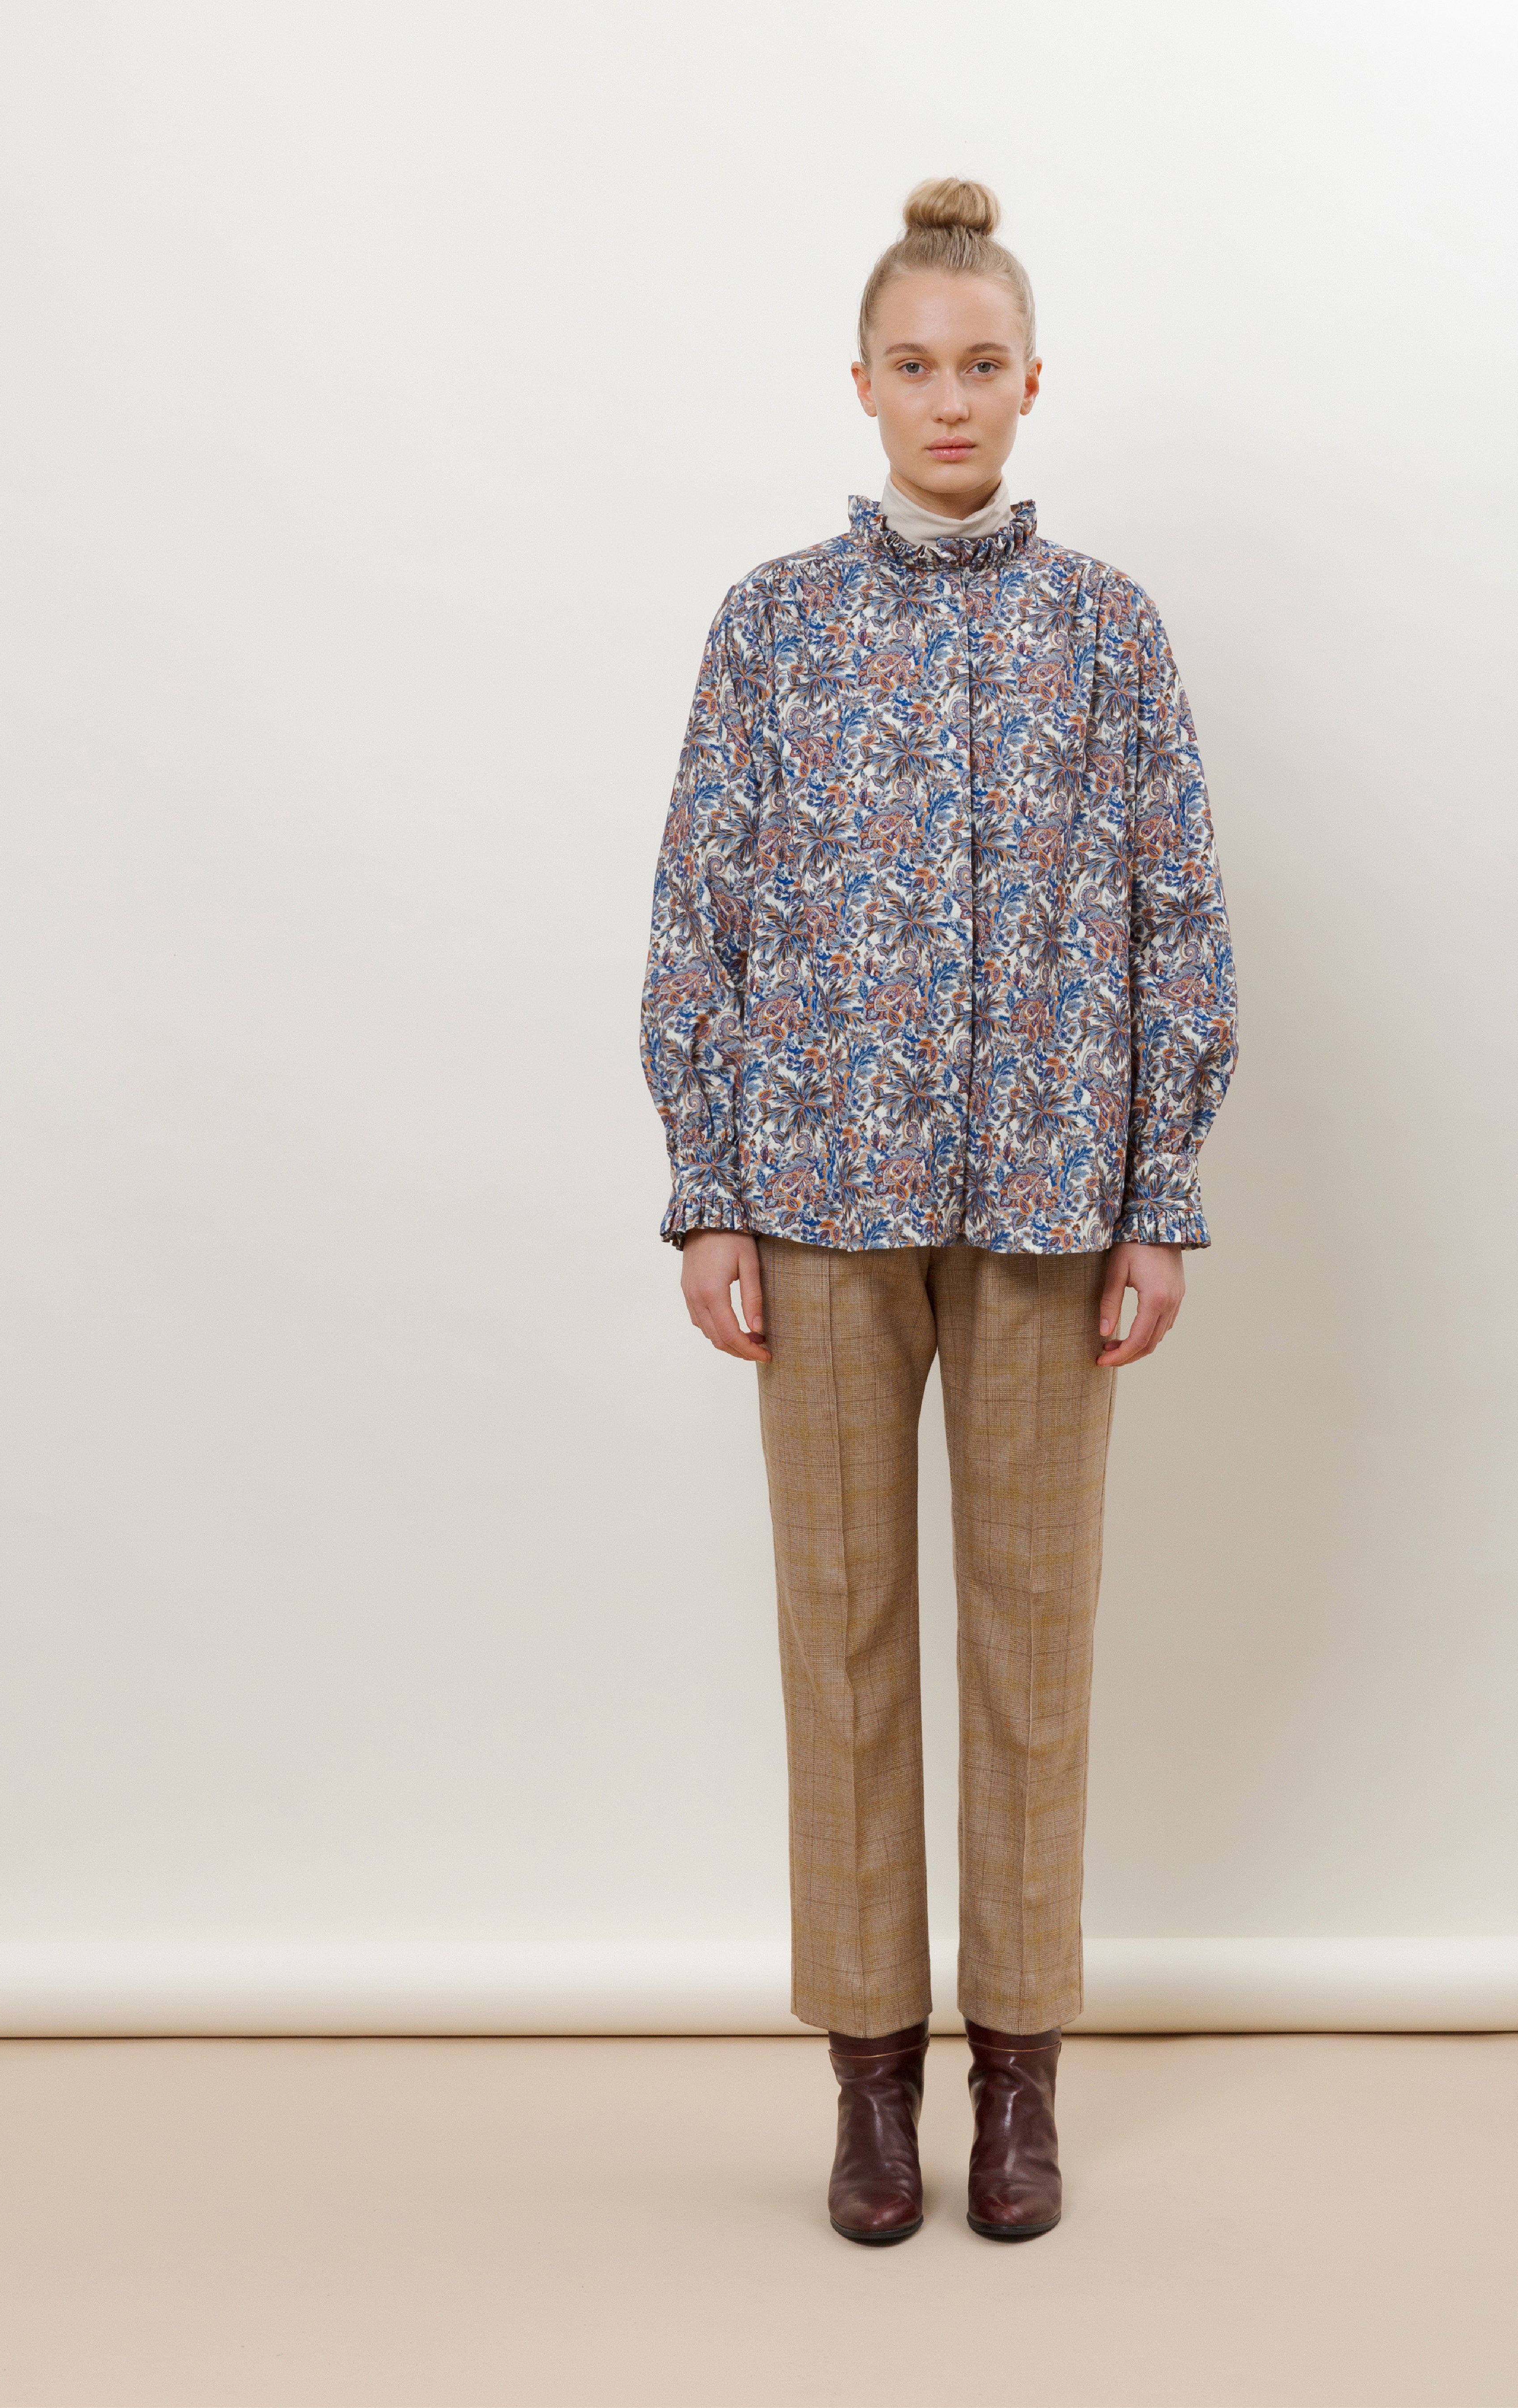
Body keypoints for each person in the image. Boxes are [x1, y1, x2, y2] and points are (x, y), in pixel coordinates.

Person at [640, 177, 1237, 2244]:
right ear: (867, 384)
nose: (951, 395)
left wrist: (1158, 1189)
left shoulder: (1107, 627)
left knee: (1031, 1645)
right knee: (847, 1637)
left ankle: (1020, 2083)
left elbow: (1179, 913)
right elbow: (696, 919)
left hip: (1056, 1195)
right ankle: (870, 2079)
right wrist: (708, 1185)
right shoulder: (771, 623)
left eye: (984, 363)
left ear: (1031, 381)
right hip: (812, 1192)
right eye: (917, 363)